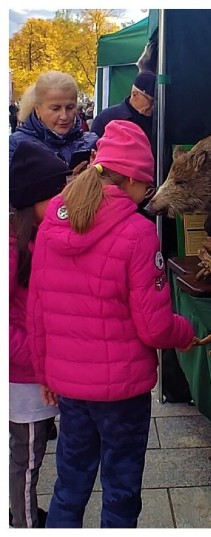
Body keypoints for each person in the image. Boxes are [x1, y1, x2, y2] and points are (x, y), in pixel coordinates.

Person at [27, 120, 196, 528]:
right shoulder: (139, 233)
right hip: (121, 391)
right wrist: (186, 333)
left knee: (69, 484)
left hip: (70, 386)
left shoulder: (53, 221)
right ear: (136, 179)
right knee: (120, 489)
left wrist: (44, 370)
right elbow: (154, 327)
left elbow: (37, 307)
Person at [8, 141, 71, 528]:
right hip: (25, 376)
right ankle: (24, 522)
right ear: (33, 200)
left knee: (31, 452)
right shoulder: (13, 248)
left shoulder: (38, 238)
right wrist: (37, 357)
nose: (64, 199)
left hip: (40, 369)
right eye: (56, 193)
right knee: (27, 457)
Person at [10, 71, 98, 165]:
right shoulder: (16, 146)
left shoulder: (92, 143)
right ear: (37, 109)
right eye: (55, 109)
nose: (64, 116)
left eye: (70, 108)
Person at [90, 71, 155, 142]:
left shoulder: (157, 122)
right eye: (151, 101)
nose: (153, 106)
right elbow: (92, 149)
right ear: (135, 94)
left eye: (156, 102)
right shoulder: (107, 118)